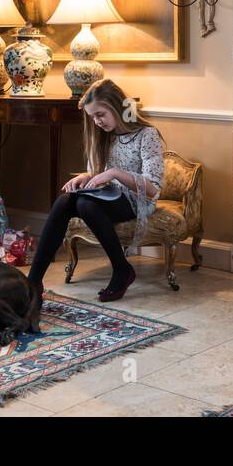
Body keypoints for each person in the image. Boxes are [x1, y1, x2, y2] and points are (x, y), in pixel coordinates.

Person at [26, 79, 163, 303]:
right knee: (66, 201)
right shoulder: (103, 135)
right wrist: (86, 177)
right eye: (92, 117)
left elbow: (152, 189)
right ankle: (33, 282)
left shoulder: (147, 135)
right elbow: (100, 173)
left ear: (117, 107)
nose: (97, 122)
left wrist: (115, 173)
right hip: (109, 195)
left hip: (136, 199)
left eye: (100, 114)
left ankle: (122, 270)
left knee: (85, 205)